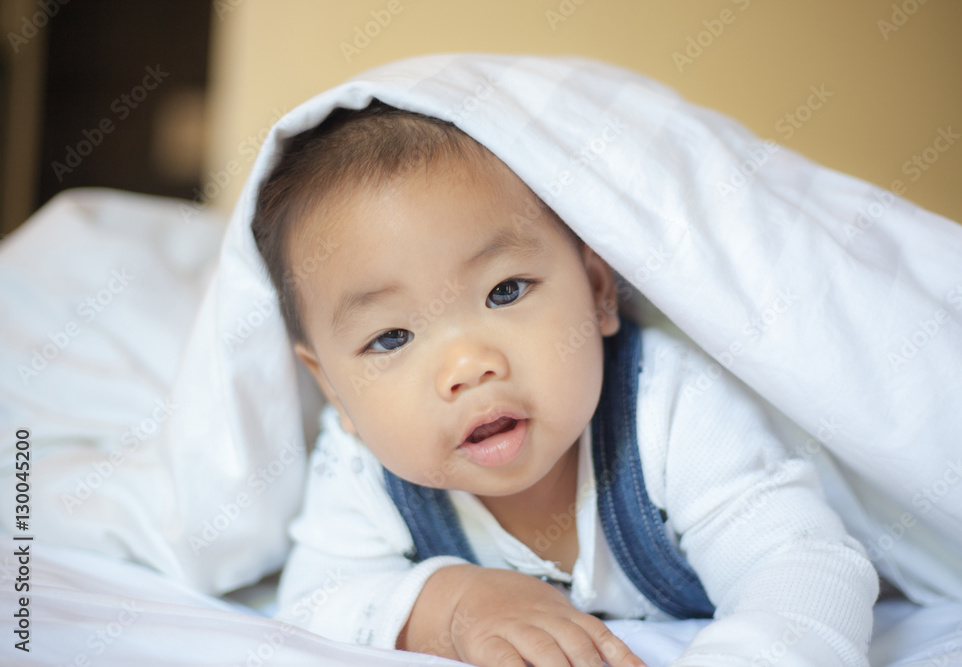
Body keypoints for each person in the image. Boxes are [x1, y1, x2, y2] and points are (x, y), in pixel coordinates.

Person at [252, 100, 878, 667]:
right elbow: (314, 604)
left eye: (505, 291)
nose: (469, 365)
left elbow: (801, 564)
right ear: (334, 389)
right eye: (390, 338)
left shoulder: (667, 406)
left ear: (598, 291)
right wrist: (452, 607)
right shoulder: (362, 465)